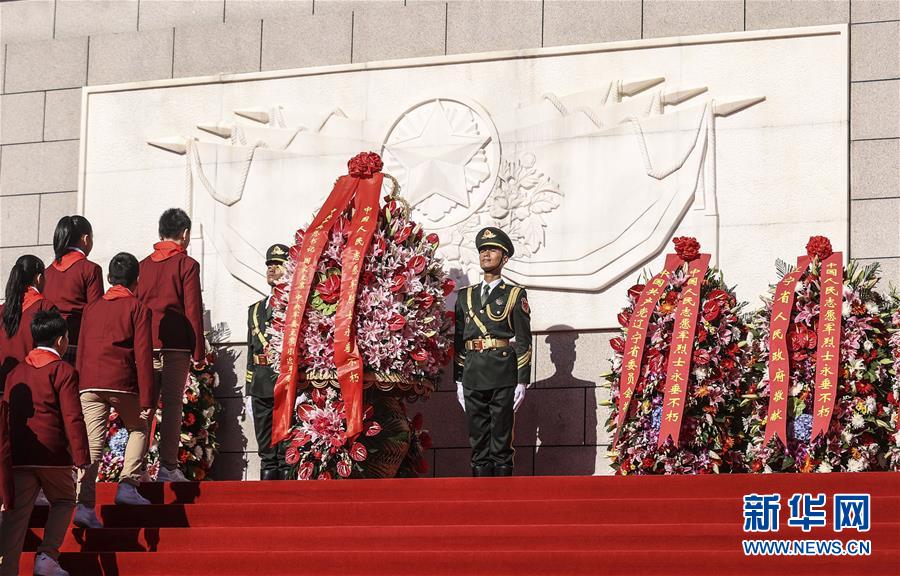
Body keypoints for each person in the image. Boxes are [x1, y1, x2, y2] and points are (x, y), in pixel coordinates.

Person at [0, 310, 90, 576]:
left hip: (19, 454)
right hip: (53, 455)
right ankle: (47, 555)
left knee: (15, 519)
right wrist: (81, 457)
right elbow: (72, 417)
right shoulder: (63, 370)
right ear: (61, 340)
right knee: (64, 500)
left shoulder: (15, 373)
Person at [74, 253, 155, 529]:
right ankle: (128, 484)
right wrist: (148, 397)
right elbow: (143, 356)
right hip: (121, 380)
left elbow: (82, 348)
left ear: (109, 278)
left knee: (92, 444)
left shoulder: (92, 308)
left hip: (89, 381)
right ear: (136, 280)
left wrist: (79, 383)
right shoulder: (138, 308)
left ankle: (84, 505)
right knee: (139, 427)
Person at [453, 227, 532, 477]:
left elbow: (523, 340)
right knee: (477, 440)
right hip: (473, 372)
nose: (486, 254)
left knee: (500, 439)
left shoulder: (514, 295)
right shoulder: (465, 297)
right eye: (483, 250)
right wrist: (457, 379)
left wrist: (522, 381)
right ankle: (479, 500)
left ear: (505, 258)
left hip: (502, 373)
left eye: (493, 249)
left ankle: (502, 501)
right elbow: (458, 340)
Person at [136, 209, 205, 483]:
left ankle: (137, 468)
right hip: (176, 345)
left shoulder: (143, 265)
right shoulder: (187, 265)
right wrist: (198, 351)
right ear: (185, 234)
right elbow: (193, 310)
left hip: (145, 345)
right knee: (173, 405)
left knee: (145, 407)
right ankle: (167, 467)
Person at [246, 244, 291, 480]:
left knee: (284, 447)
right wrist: (248, 391)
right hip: (261, 383)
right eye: (269, 265)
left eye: (278, 264)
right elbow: (250, 354)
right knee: (265, 446)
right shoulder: (255, 310)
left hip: (285, 382)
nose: (272, 270)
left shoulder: (294, 306)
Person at [43, 216, 104, 363]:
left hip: (47, 344)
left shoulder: (47, 272)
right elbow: (96, 313)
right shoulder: (90, 269)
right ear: (85, 239)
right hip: (76, 343)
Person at [0, 255, 56, 395]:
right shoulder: (45, 308)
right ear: (38, 278)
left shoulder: (2, 310)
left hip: (3, 384)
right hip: (33, 385)